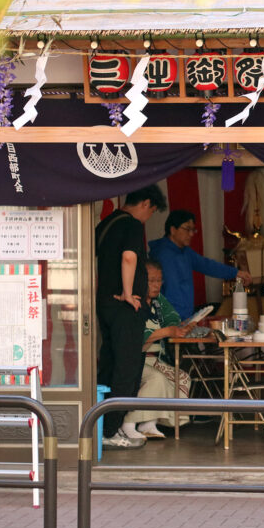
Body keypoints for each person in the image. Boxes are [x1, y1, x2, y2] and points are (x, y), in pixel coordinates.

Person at [96, 184, 167, 449]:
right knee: (127, 368)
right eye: (152, 211)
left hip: (104, 304)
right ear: (146, 203)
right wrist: (128, 293)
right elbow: (129, 258)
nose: (149, 217)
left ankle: (101, 426)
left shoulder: (106, 223)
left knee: (109, 365)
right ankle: (110, 430)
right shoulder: (132, 225)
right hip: (124, 307)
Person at [124, 261, 193, 438]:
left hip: (155, 358)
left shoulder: (158, 301)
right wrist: (167, 331)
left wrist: (177, 328)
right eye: (152, 281)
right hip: (135, 358)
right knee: (157, 378)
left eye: (159, 280)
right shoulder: (133, 301)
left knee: (182, 378)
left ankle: (150, 423)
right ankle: (129, 423)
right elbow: (137, 337)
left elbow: (173, 317)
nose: (157, 285)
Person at [148, 209, 251, 320]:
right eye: (187, 229)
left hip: (183, 319)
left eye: (193, 230)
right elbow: (170, 292)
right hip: (172, 321)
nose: (191, 234)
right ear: (173, 230)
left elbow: (208, 266)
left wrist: (236, 272)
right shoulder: (163, 255)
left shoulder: (184, 251)